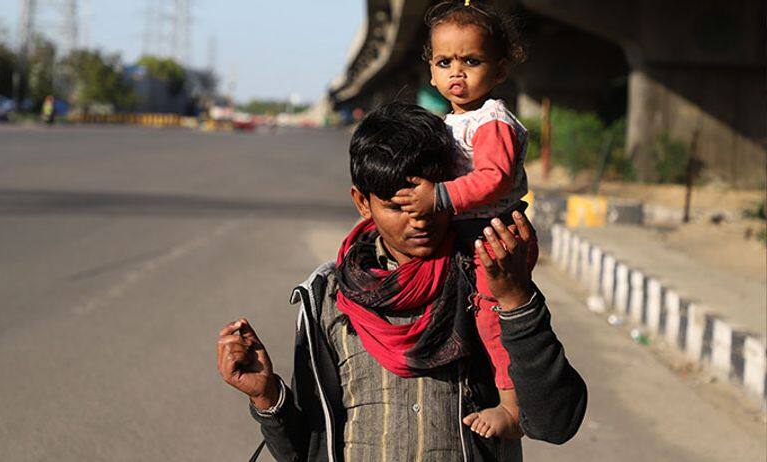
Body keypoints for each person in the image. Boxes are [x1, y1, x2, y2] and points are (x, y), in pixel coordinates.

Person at [217, 102, 586, 462]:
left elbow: (555, 422)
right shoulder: (329, 297)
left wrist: (517, 302)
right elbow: (308, 449)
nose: (420, 220)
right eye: (397, 207)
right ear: (363, 202)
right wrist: (268, 398)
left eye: (431, 202)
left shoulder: (489, 279)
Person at [390, 1, 536, 437]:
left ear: (499, 69)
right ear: (431, 72)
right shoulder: (453, 121)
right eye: (444, 62)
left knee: (495, 317)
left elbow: (493, 178)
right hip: (468, 232)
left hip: (495, 236)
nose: (457, 72)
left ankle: (512, 409)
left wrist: (440, 196)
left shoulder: (492, 121)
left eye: (471, 61)